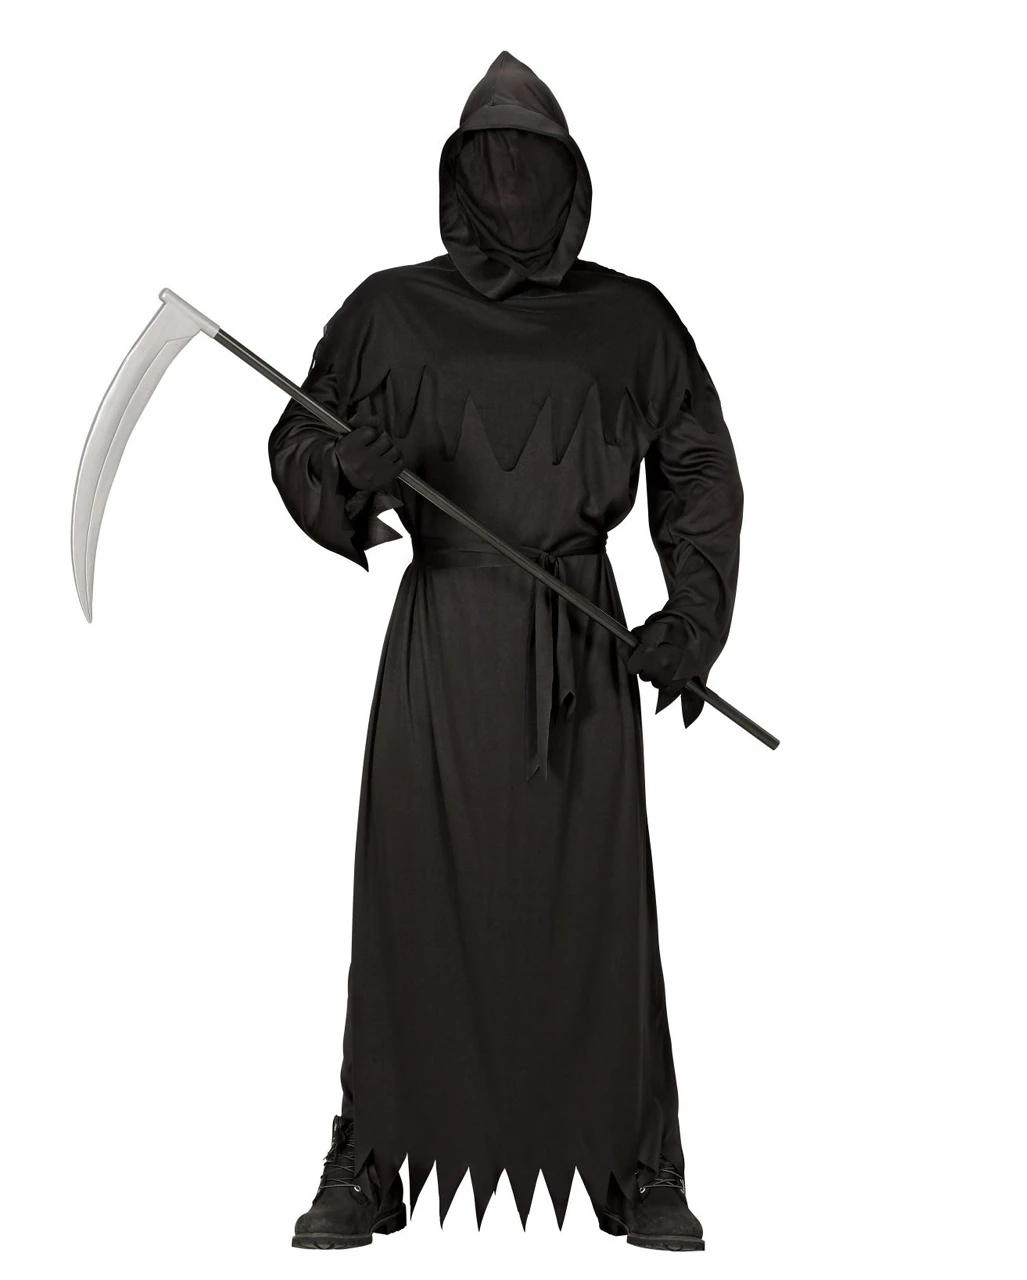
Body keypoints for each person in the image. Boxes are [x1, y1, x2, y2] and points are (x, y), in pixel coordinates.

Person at [268, 50, 743, 1252]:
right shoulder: (388, 311)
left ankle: (639, 1161)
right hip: (442, 644)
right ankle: (372, 1155)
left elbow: (695, 465)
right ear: (457, 177)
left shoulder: (632, 319)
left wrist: (691, 618)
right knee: (413, 894)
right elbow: (297, 438)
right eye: (492, 164)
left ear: (569, 179)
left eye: (530, 164)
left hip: (579, 646)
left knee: (595, 906)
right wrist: (346, 471)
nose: (510, 183)